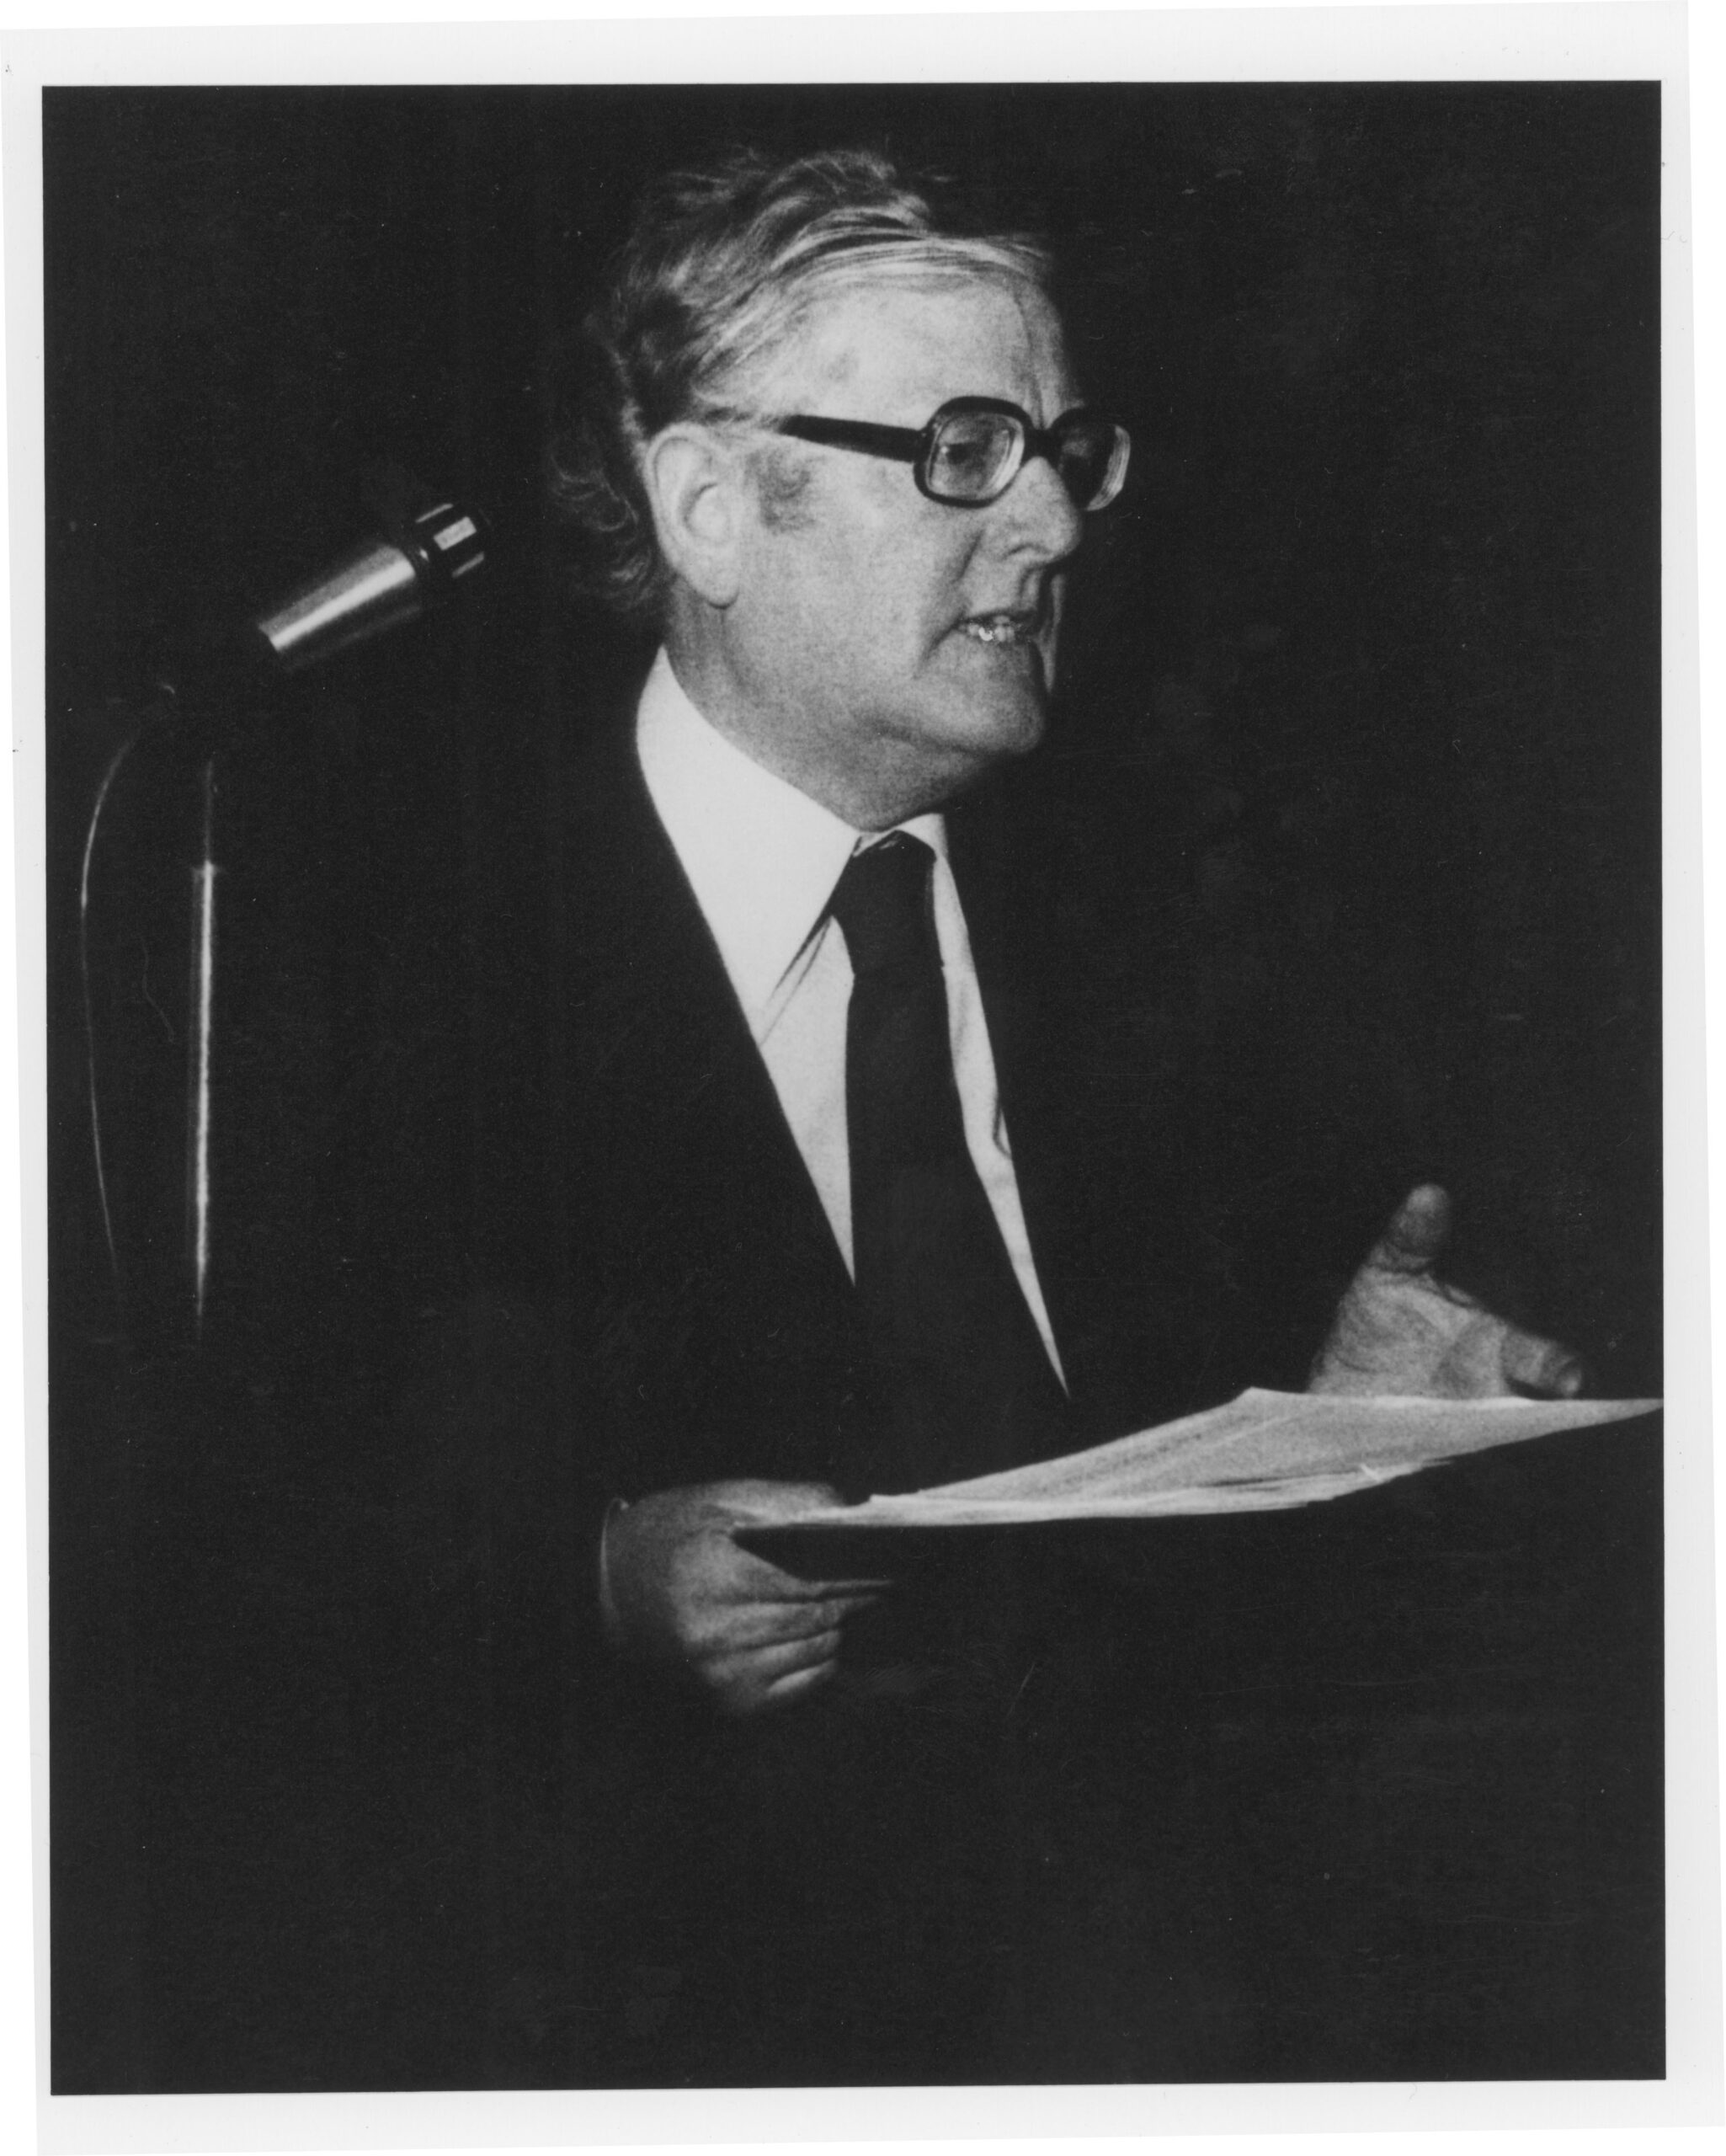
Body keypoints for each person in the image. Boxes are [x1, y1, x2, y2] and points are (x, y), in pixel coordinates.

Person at [391, 144, 1588, 2086]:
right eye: (962, 445)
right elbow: (196, 1550)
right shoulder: (403, 961)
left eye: (1065, 447)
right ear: (709, 502)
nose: (1049, 520)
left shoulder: (1151, 921)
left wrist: (1329, 1395)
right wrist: (589, 1586)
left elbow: (1160, 1586)